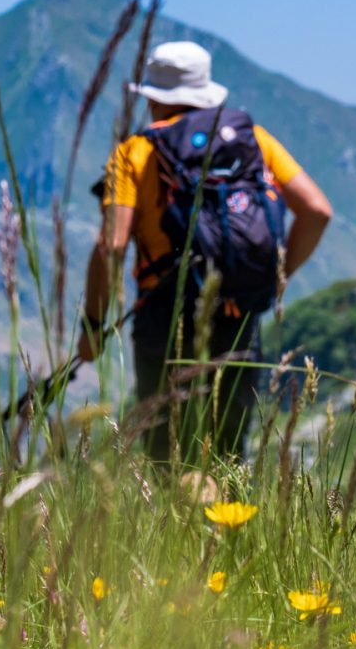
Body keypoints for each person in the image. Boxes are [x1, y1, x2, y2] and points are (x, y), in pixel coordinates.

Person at [77, 41, 333, 461]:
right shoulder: (253, 140)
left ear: (154, 97)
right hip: (238, 314)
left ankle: (182, 523)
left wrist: (93, 327)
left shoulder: (135, 153)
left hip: (164, 316)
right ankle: (222, 525)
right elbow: (318, 211)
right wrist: (275, 279)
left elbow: (112, 244)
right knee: (226, 456)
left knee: (168, 457)